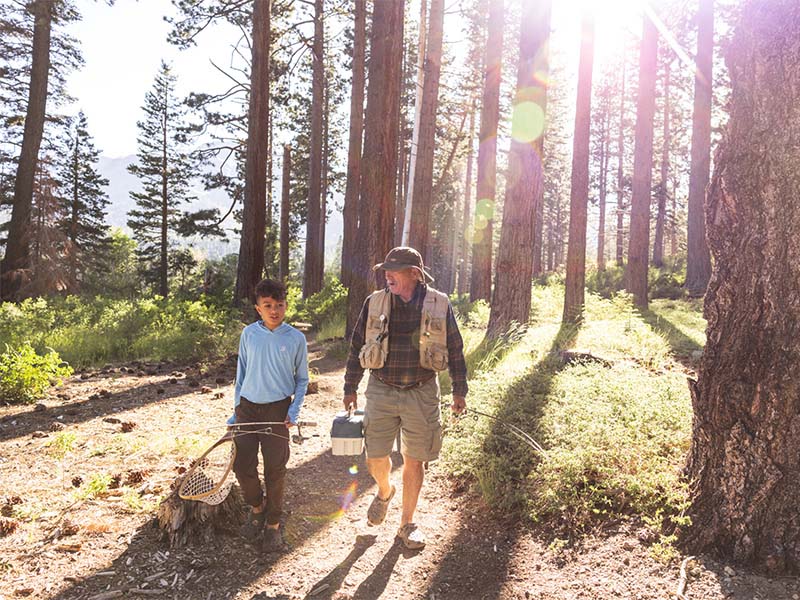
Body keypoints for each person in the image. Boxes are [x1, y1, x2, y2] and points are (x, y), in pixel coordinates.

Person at [343, 246, 468, 550]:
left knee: (415, 459)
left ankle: (407, 525)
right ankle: (385, 491)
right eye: (385, 270)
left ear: (414, 273)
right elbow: (357, 344)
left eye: (394, 270)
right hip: (381, 388)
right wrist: (350, 387)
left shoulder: (439, 303)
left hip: (421, 391)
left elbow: (454, 347)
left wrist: (459, 390)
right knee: (375, 457)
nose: (387, 275)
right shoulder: (374, 302)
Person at [230, 278, 309, 552]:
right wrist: (235, 410)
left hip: (277, 409)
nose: (274, 310)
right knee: (242, 464)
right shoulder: (249, 334)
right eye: (268, 305)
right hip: (247, 408)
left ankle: (273, 523)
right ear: (258, 308)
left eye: (279, 305)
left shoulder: (296, 338)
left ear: (286, 306)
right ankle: (257, 507)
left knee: (275, 469)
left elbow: (302, 380)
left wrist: (293, 410)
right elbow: (241, 373)